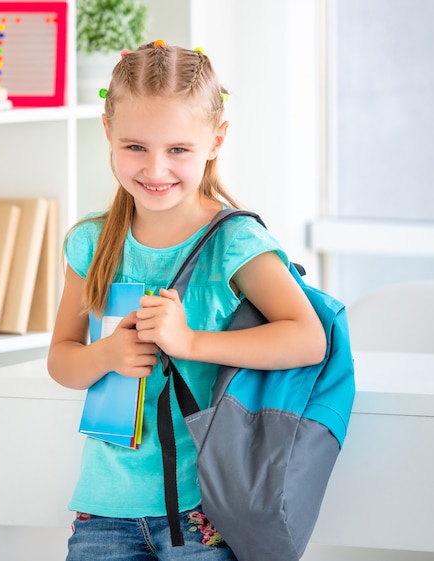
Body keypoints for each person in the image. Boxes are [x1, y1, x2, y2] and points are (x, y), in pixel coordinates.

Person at [47, 40, 326, 561]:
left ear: (216, 140)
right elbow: (61, 359)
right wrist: (105, 355)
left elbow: (307, 339)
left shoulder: (235, 243)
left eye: (178, 150)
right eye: (135, 147)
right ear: (107, 132)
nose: (156, 170)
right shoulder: (90, 242)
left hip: (205, 512)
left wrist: (191, 340)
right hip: (104, 509)